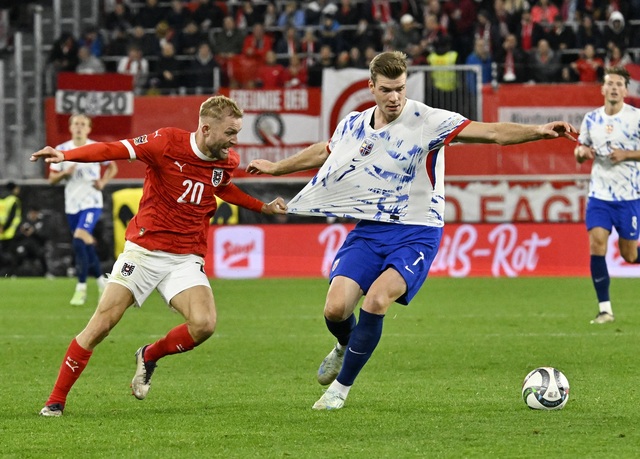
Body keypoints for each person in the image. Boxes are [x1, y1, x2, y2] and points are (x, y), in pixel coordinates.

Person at [246, 50, 576, 411]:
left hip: (417, 230)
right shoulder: (353, 124)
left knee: (376, 300)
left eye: (400, 88)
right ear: (371, 87)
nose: (394, 97)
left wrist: (539, 131)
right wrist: (278, 168)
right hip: (371, 227)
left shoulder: (428, 120)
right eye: (387, 89)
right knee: (335, 309)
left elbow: (494, 132)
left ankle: (339, 390)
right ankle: (344, 345)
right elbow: (325, 152)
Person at [31, 95, 288, 417]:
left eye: (237, 132)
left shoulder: (226, 159)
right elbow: (113, 150)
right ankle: (56, 399)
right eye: (230, 132)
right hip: (144, 251)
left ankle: (150, 354)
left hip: (185, 257)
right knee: (102, 324)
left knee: (204, 324)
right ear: (206, 129)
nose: (235, 140)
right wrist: (65, 155)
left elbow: (222, 187)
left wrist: (261, 206)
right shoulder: (165, 142)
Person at [573, 67, 640, 324]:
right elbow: (580, 151)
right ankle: (605, 309)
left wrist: (627, 154)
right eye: (609, 83)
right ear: (602, 89)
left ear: (625, 90)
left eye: (619, 84)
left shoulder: (636, 118)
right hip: (599, 196)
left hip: (629, 197)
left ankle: (606, 309)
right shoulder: (591, 119)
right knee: (597, 243)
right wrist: (582, 153)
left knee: (629, 255)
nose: (613, 87)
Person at [49, 114, 118, 306]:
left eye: (83, 124)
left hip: (92, 202)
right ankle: (101, 282)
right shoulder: (62, 150)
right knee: (82, 245)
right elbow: (51, 179)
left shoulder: (95, 147)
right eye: (76, 124)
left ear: (89, 129)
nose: (79, 127)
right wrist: (64, 173)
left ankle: (80, 288)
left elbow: (112, 166)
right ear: (71, 128)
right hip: (72, 204)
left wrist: (103, 182)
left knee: (79, 238)